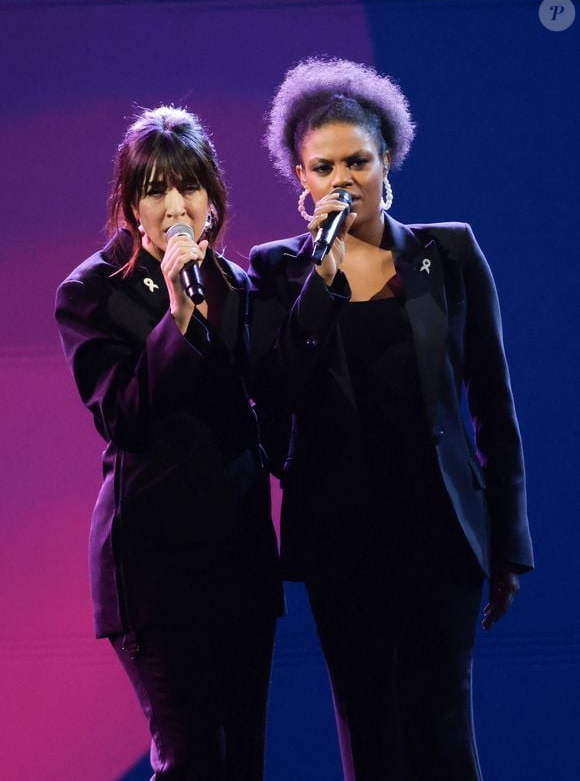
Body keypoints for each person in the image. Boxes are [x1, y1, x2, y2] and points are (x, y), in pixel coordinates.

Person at [248, 58, 534, 781]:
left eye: (358, 160)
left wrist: (508, 541)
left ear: (387, 162)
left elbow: (492, 405)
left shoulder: (449, 252)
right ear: (300, 179)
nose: (343, 178)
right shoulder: (277, 271)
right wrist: (322, 283)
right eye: (323, 165)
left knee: (444, 727)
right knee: (370, 730)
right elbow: (272, 396)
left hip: (442, 531)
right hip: (343, 536)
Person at [55, 106, 283, 781]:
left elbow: (270, 410)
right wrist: (178, 318)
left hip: (239, 554)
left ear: (213, 202)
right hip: (153, 563)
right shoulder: (93, 292)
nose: (173, 205)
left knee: (241, 759)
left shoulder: (241, 286)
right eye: (153, 189)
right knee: (191, 761)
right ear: (129, 206)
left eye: (188, 187)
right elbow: (122, 412)